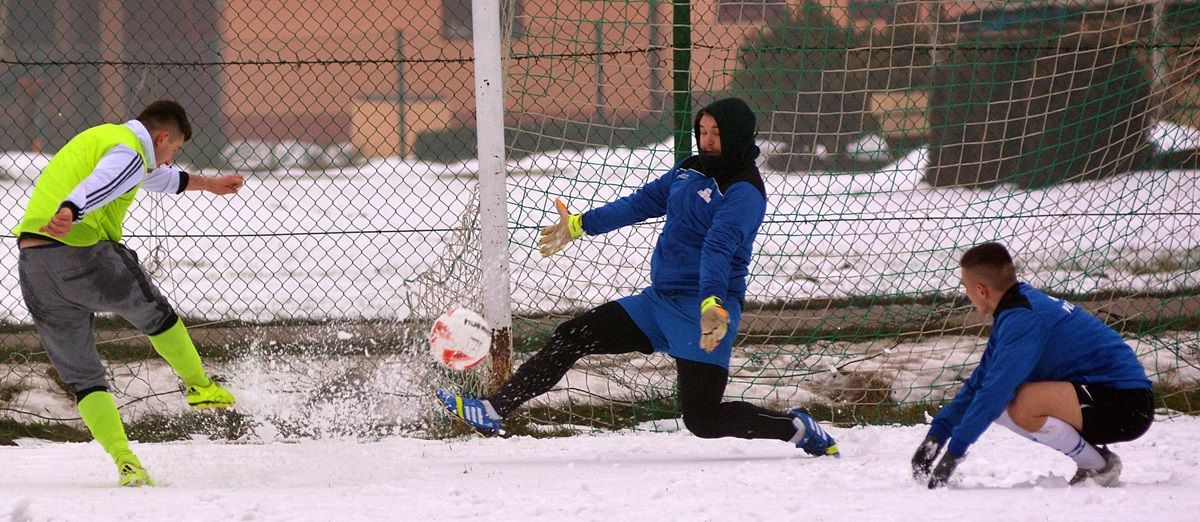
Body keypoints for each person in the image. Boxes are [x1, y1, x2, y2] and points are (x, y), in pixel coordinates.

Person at [437, 97, 839, 457]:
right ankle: (493, 409)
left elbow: (719, 247)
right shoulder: (689, 172)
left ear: (736, 135)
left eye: (716, 132)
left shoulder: (743, 192)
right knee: (572, 335)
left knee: (703, 420)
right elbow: (640, 203)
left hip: (704, 311)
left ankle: (795, 429)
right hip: (657, 303)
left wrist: (712, 303)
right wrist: (580, 225)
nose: (707, 139)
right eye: (702, 131)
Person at [12, 100, 243, 487]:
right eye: (174, 151)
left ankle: (126, 462)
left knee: (84, 378)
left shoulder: (103, 138)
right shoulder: (129, 152)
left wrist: (208, 184)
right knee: (156, 313)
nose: (170, 160)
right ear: (162, 137)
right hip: (82, 252)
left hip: (35, 265)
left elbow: (152, 178)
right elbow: (104, 180)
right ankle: (201, 386)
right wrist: (73, 208)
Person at [912, 242, 1153, 488]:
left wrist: (954, 454)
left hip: (1127, 405)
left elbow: (995, 392)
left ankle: (1097, 466)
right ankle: (1094, 461)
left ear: (981, 290)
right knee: (1002, 401)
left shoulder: (1024, 318)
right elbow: (980, 383)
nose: (965, 295)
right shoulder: (1015, 310)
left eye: (966, 288)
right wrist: (937, 435)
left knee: (1019, 403)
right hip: (1109, 397)